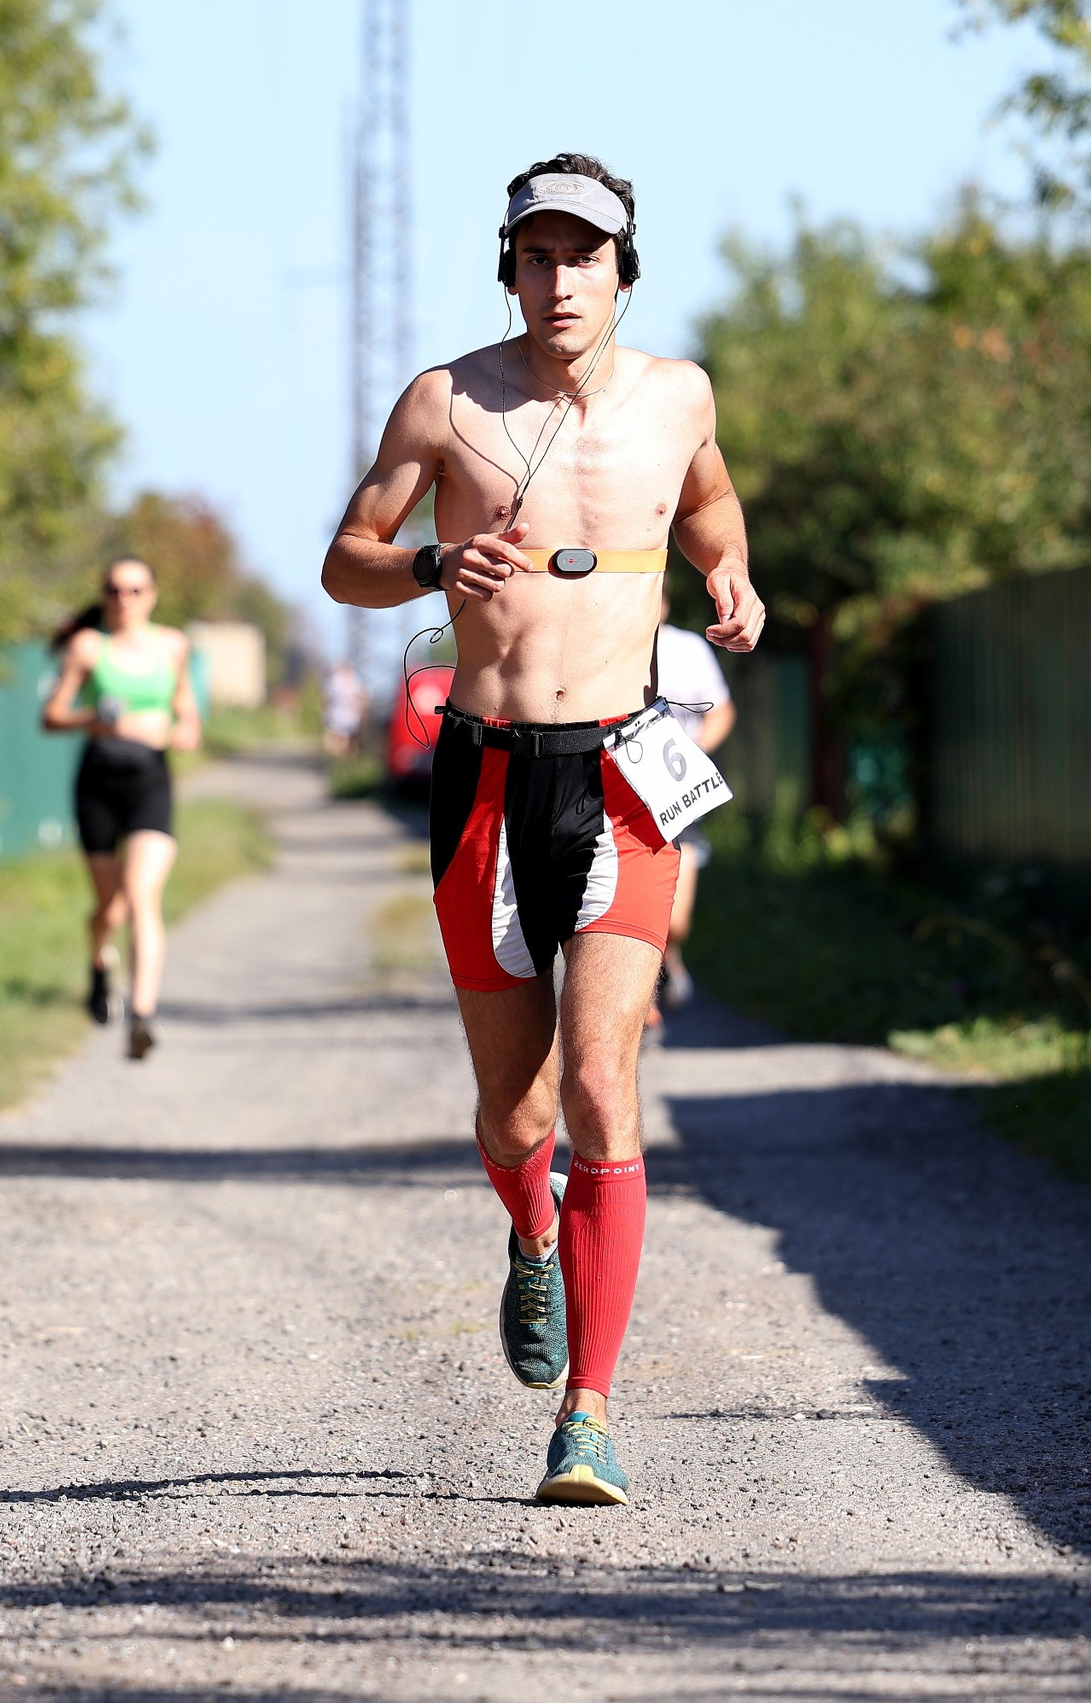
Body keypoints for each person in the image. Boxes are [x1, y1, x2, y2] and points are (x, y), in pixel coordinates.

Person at [321, 153, 764, 1505]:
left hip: (625, 769)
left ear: (625, 270)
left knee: (600, 1085)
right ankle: (528, 1231)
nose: (561, 277)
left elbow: (708, 507)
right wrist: (425, 564)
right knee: (515, 1115)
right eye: (538, 253)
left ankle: (588, 1410)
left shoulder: (679, 395)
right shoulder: (446, 401)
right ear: (506, 265)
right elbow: (344, 555)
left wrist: (730, 570)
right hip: (489, 779)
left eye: (587, 254)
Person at [42, 557, 201, 1061]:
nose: (124, 600)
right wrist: (98, 718)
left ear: (151, 595)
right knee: (109, 908)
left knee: (140, 897)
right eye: (114, 590)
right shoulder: (89, 648)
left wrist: (176, 733)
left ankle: (142, 1014)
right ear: (103, 595)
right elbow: (52, 716)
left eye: (134, 590)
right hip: (98, 782)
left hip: (150, 780)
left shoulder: (173, 646)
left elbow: (189, 719)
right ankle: (98, 966)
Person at [650, 592, 735, 1016]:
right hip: (614, 792)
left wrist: (695, 751)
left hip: (678, 791)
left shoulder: (688, 648)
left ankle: (670, 959)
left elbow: (721, 711)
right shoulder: (599, 648)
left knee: (675, 919)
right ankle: (643, 1003)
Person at [322, 657, 368, 761]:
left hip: (338, 717)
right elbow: (362, 698)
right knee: (347, 745)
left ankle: (337, 763)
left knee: (337, 744)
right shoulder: (355, 680)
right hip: (350, 718)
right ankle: (344, 764)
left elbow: (327, 699)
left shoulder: (335, 680)